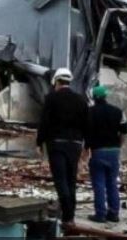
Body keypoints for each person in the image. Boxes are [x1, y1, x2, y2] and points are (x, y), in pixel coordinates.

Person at [36, 68, 89, 226]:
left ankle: (66, 216)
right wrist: (88, 146)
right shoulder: (81, 100)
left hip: (56, 143)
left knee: (60, 180)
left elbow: (44, 121)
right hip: (75, 145)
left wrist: (39, 142)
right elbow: (87, 123)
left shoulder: (51, 98)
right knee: (71, 179)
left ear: (56, 82)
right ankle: (70, 214)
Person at [85, 85, 127, 223]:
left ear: (93, 97)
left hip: (98, 151)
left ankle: (100, 214)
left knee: (99, 184)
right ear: (105, 96)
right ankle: (114, 213)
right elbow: (123, 132)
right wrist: (119, 146)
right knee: (112, 183)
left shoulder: (90, 112)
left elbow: (86, 133)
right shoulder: (118, 112)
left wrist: (86, 149)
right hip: (114, 151)